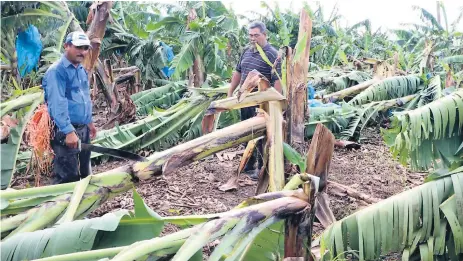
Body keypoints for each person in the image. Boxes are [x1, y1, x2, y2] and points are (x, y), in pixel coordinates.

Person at [227, 21, 282, 180]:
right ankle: (248, 165)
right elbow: (239, 71)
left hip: (261, 102)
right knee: (246, 132)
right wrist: (231, 90)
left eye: (256, 35)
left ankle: (261, 167)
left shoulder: (272, 54)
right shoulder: (247, 51)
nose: (253, 38)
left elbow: (277, 80)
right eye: (250, 35)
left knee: (260, 135)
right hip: (245, 99)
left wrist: (274, 102)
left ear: (265, 35)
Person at [42, 31, 97, 184]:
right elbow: (57, 103)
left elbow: (85, 97)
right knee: (67, 175)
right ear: (67, 46)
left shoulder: (80, 69)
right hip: (65, 129)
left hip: (82, 127)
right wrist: (68, 131)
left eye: (85, 48)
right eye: (78, 47)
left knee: (85, 170)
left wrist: (89, 122)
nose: (83, 52)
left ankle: (82, 204)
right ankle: (60, 205)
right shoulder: (57, 71)